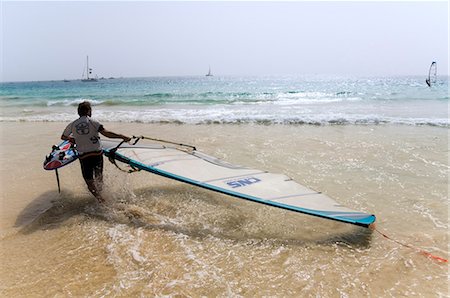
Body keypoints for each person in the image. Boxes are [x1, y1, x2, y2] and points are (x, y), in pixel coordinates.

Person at [61, 101, 131, 203]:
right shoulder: (94, 122)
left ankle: (100, 199)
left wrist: (72, 139)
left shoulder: (72, 125)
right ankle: (103, 195)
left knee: (89, 182)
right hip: (97, 154)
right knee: (99, 177)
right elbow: (106, 133)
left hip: (84, 157)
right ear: (89, 111)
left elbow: (63, 137)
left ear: (78, 112)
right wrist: (122, 136)